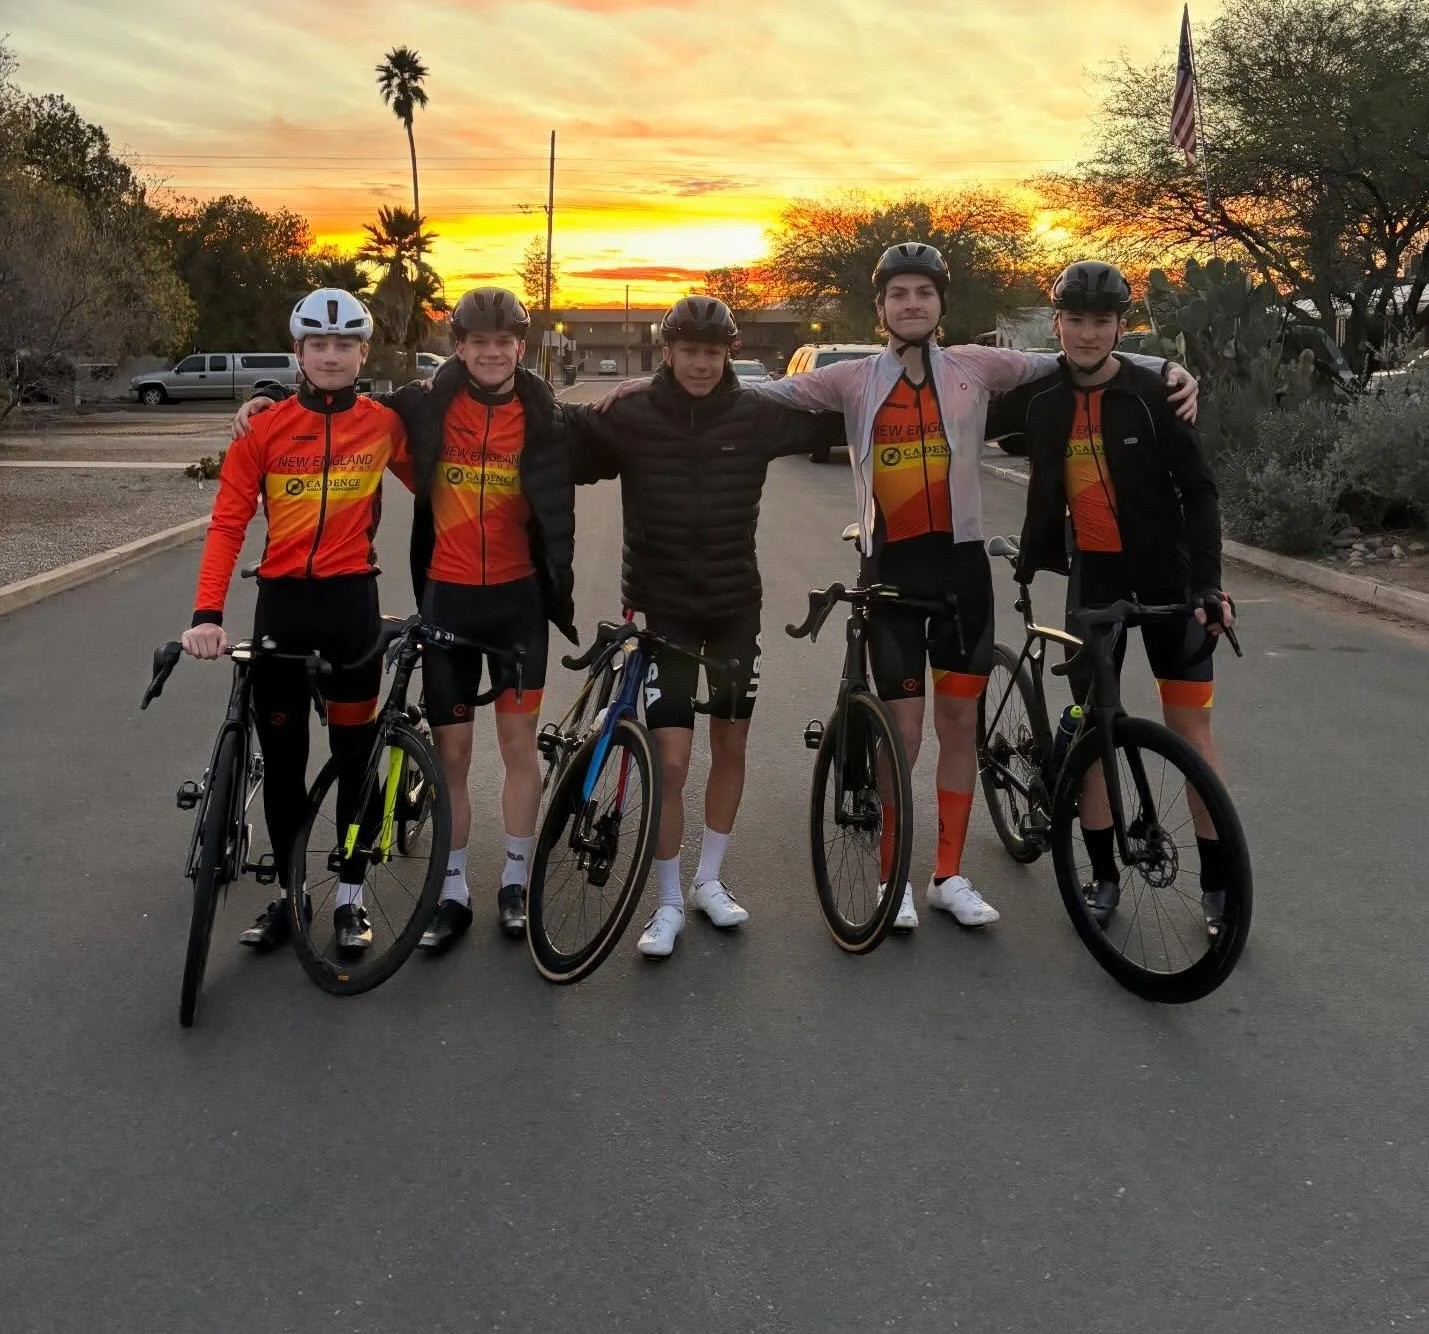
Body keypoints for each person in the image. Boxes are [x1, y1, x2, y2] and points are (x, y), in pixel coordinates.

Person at [756, 243, 1198, 931]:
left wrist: (1168, 367)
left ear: (940, 305)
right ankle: (892, 881)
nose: (911, 304)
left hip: (964, 575)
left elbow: (1078, 361)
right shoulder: (850, 380)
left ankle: (948, 876)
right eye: (898, 294)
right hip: (892, 576)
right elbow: (762, 396)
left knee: (959, 725)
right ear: (880, 308)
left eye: (923, 294)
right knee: (900, 734)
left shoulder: (976, 366)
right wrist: (665, 392)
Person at [232, 287, 577, 953]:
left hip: (519, 606)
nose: (490, 352)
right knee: (452, 754)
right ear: (459, 347)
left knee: (517, 748)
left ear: (520, 349)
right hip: (447, 600)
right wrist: (272, 393)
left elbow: (618, 431)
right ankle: (452, 891)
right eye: (478, 341)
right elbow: (336, 402)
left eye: (503, 342)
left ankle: (513, 880)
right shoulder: (422, 405)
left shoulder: (547, 416)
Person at [565, 296, 843, 959]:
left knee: (732, 745)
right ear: (667, 352)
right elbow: (554, 430)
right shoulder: (631, 414)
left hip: (732, 610)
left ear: (729, 355)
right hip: (663, 614)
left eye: (712, 353)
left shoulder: (756, 416)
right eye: (688, 351)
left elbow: (842, 410)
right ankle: (665, 900)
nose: (699, 363)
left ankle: (708, 881)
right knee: (670, 759)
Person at [984, 260, 1235, 933]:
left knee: (1192, 731)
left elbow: (1201, 492)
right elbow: (955, 400)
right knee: (1096, 721)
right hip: (1092, 574)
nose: (1087, 334)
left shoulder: (1156, 394)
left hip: (1171, 579)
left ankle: (1218, 882)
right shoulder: (1039, 402)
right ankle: (1100, 874)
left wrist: (1209, 585)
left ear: (1121, 326)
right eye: (1075, 320)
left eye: (1102, 321)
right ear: (1057, 323)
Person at [182, 289, 411, 955]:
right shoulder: (263, 428)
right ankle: (289, 895)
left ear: (364, 353)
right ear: (299, 353)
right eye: (319, 345)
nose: (332, 355)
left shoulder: (385, 424)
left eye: (345, 345)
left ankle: (349, 897)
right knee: (283, 768)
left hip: (351, 612)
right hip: (282, 608)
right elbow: (228, 522)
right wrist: (206, 613)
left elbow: (440, 487)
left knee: (353, 760)